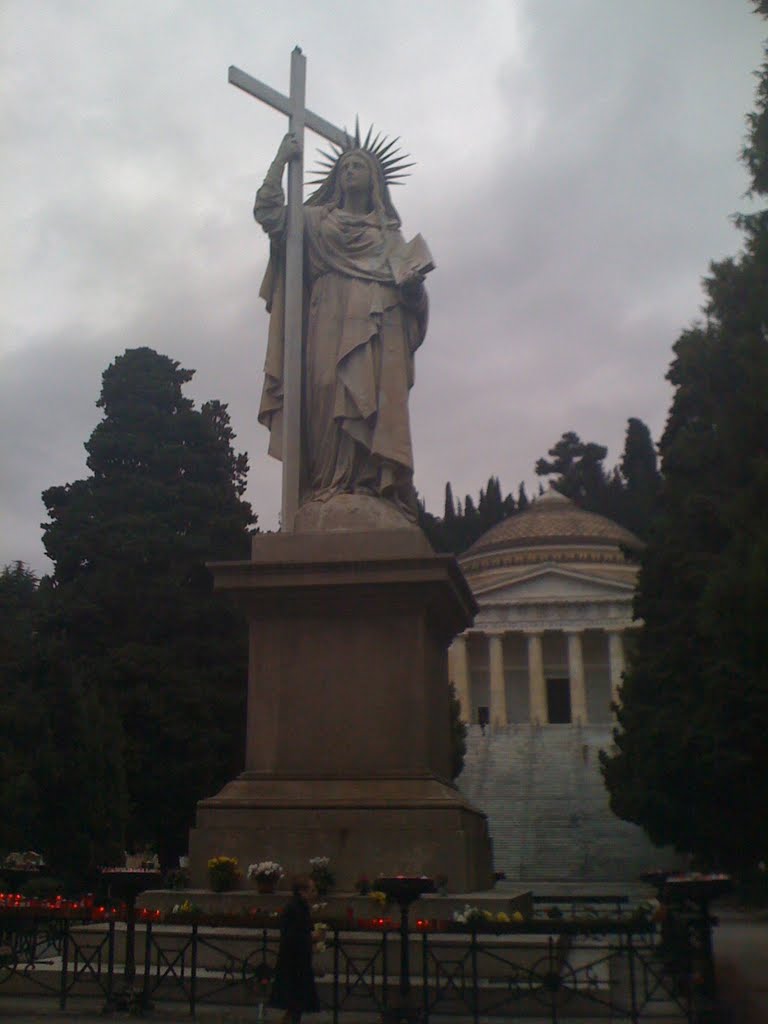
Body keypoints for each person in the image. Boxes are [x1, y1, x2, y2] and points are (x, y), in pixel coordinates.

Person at [254, 131, 430, 522]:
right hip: (326, 317)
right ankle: (324, 486)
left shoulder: (388, 235)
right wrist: (280, 160)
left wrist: (414, 290)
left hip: (376, 325)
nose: (350, 171)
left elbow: (413, 299)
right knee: (323, 389)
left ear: (373, 180)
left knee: (370, 400)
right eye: (345, 166)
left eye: (358, 167)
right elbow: (270, 216)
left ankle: (367, 485)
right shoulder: (315, 221)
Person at [269, 875, 321, 1023]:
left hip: (297, 960)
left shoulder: (300, 907)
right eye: (312, 890)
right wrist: (311, 937)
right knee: (296, 998)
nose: (314, 893)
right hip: (293, 962)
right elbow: (292, 935)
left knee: (296, 1002)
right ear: (302, 892)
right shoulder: (295, 908)